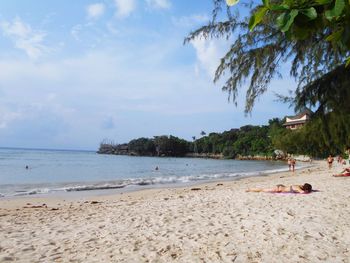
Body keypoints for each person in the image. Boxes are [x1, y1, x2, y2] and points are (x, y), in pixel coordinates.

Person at [246, 183, 313, 194]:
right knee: (262, 190)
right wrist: (310, 191)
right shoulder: (298, 188)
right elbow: (302, 192)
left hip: (281, 187)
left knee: (263, 189)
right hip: (278, 188)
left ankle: (250, 189)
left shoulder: (300, 186)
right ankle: (250, 189)